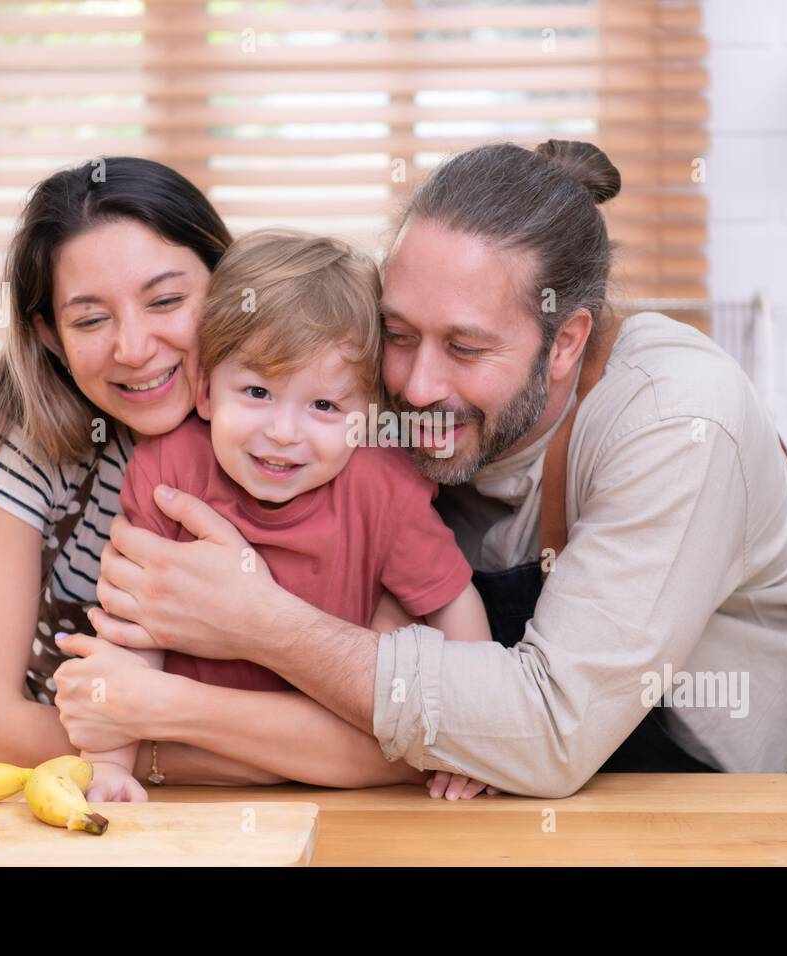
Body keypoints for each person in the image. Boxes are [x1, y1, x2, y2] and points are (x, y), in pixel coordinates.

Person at [85, 140, 787, 798]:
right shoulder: (364, 396)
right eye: (402, 333)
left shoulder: (676, 423)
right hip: (591, 754)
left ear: (565, 342)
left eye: (465, 347)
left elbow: (553, 730)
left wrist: (256, 625)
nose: (415, 384)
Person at [75, 229, 494, 802]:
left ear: (367, 416)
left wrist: (472, 732)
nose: (283, 432)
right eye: (255, 392)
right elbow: (133, 629)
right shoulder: (167, 470)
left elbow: (451, 602)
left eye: (323, 405)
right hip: (201, 777)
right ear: (204, 391)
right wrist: (108, 763)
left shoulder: (385, 485)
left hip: (345, 774)